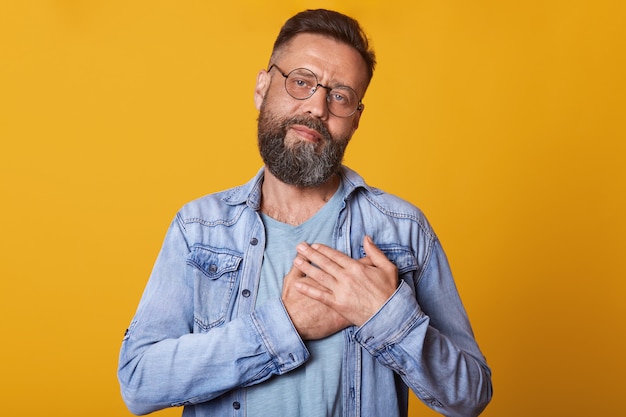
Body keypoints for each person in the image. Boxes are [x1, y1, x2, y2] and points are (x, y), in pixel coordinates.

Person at [117, 8, 492, 417]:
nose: (317, 106)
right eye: (301, 82)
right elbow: (139, 381)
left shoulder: (403, 230)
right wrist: (284, 325)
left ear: (356, 120)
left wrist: (383, 315)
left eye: (340, 96)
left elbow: (470, 395)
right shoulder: (199, 228)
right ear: (262, 88)